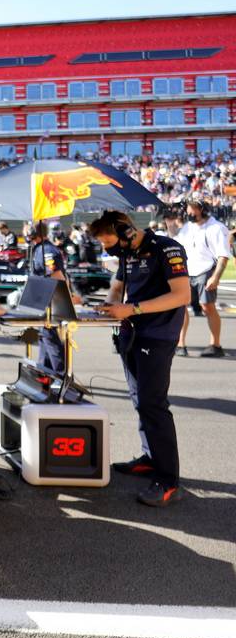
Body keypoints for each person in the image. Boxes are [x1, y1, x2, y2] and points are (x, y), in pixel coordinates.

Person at [93, 211, 191, 507]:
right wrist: (108, 305)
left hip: (158, 336)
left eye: (107, 241)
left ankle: (167, 480)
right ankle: (150, 457)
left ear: (124, 230)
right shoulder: (128, 252)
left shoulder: (167, 248)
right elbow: (117, 286)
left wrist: (132, 309)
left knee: (153, 404)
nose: (105, 249)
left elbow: (181, 295)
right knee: (140, 400)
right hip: (131, 335)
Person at [176, 200, 230, 357]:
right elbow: (177, 244)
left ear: (203, 210)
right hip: (186, 271)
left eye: (193, 211)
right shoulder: (187, 227)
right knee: (181, 306)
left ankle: (215, 344)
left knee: (207, 306)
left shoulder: (216, 228)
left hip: (206, 270)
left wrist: (216, 277)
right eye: (188, 210)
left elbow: (223, 256)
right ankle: (180, 344)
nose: (189, 214)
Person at [25, 222, 73, 375]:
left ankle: (61, 374)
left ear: (34, 233)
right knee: (44, 337)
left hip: (51, 302)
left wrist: (68, 301)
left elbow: (57, 276)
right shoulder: (40, 248)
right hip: (43, 301)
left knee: (50, 338)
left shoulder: (47, 251)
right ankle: (45, 372)